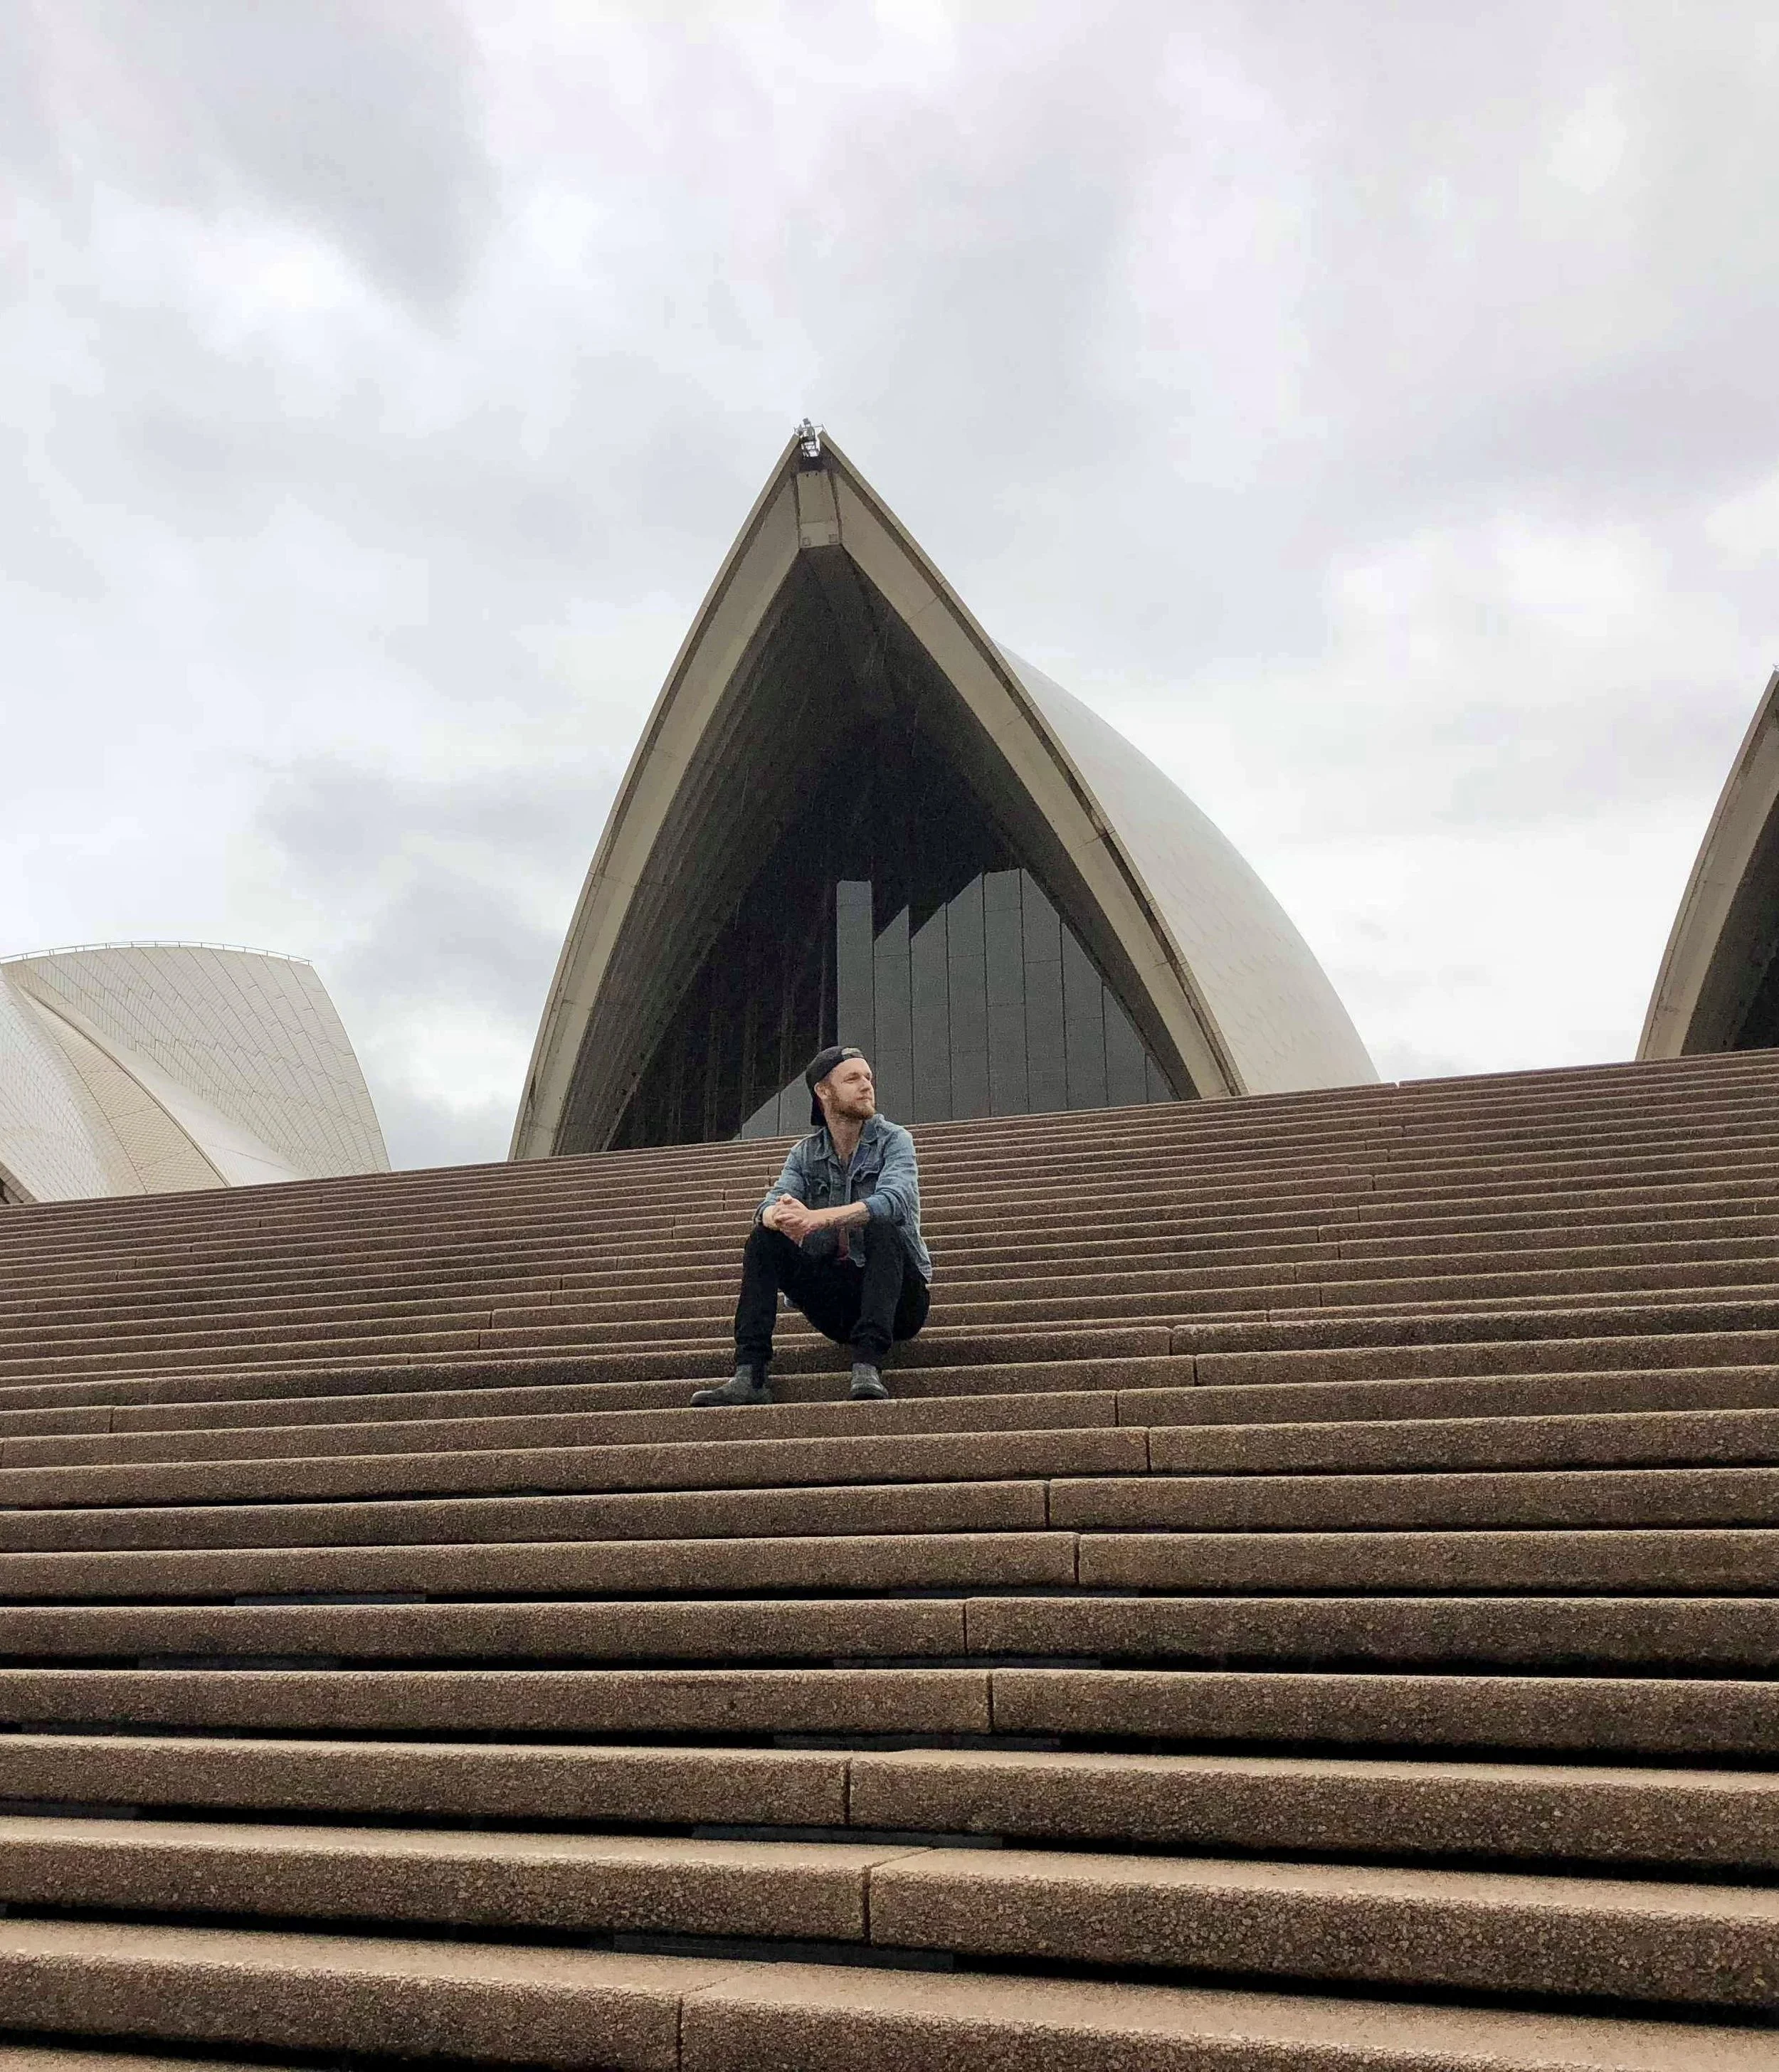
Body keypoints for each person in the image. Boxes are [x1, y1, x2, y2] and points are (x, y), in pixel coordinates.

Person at [693, 1044, 931, 1406]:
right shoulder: (805, 1154)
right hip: (837, 1309)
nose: (867, 1086)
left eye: (868, 1077)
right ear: (823, 1091)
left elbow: (894, 1200)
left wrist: (818, 1218)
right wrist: (779, 1215)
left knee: (882, 1225)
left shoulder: (894, 1140)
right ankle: (750, 1374)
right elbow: (769, 1203)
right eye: (853, 1078)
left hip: (900, 1303)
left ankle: (867, 1364)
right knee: (763, 1239)